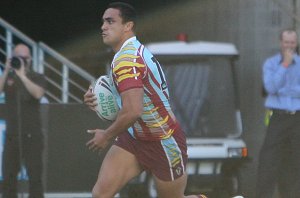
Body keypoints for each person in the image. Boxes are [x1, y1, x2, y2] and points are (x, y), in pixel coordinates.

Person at [83, 2, 207, 198]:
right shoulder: (128, 53)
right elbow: (134, 98)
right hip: (134, 137)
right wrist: (97, 99)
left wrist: (106, 135)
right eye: (103, 22)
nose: (103, 27)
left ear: (128, 26)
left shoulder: (127, 59)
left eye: (110, 21)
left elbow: (133, 110)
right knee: (101, 194)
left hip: (164, 141)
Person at [256, 29, 300, 198]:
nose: (289, 46)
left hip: (297, 117)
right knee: (269, 160)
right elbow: (270, 88)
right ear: (280, 43)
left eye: (292, 43)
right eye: (286, 42)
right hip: (278, 117)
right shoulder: (271, 64)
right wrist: (284, 66)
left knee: (295, 161)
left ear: (296, 43)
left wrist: (284, 90)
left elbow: (280, 89)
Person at [0, 44, 46, 198]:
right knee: (8, 178)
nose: (23, 61)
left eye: (25, 58)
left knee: (35, 178)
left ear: (30, 59)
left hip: (32, 136)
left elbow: (38, 94)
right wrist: (7, 70)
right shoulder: (9, 78)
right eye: (19, 57)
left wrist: (22, 75)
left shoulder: (36, 76)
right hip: (12, 136)